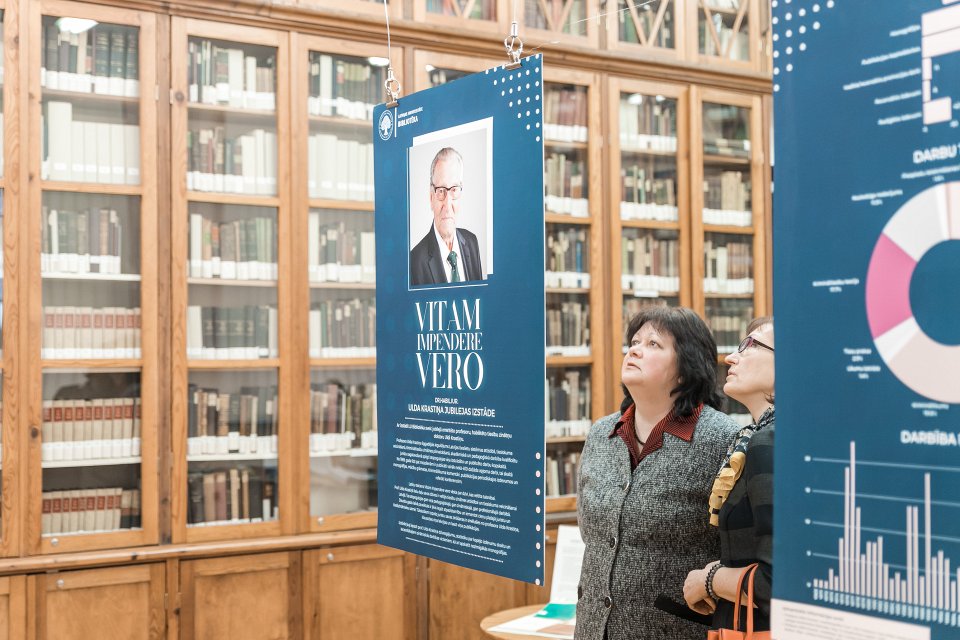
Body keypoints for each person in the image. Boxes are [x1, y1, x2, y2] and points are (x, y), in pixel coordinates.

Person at [575, 307, 740, 640]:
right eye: (634, 341)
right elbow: (591, 535)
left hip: (675, 629)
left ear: (686, 369)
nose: (635, 350)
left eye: (654, 344)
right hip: (594, 629)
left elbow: (737, 549)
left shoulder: (723, 438)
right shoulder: (601, 433)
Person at [682, 317, 774, 632]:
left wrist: (709, 580)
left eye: (749, 346)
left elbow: (775, 583)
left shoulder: (769, 442)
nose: (730, 358)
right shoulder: (753, 436)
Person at [409, 147, 483, 286]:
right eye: (441, 190)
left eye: (454, 190)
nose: (448, 204)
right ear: (431, 198)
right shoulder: (413, 262)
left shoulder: (472, 242)